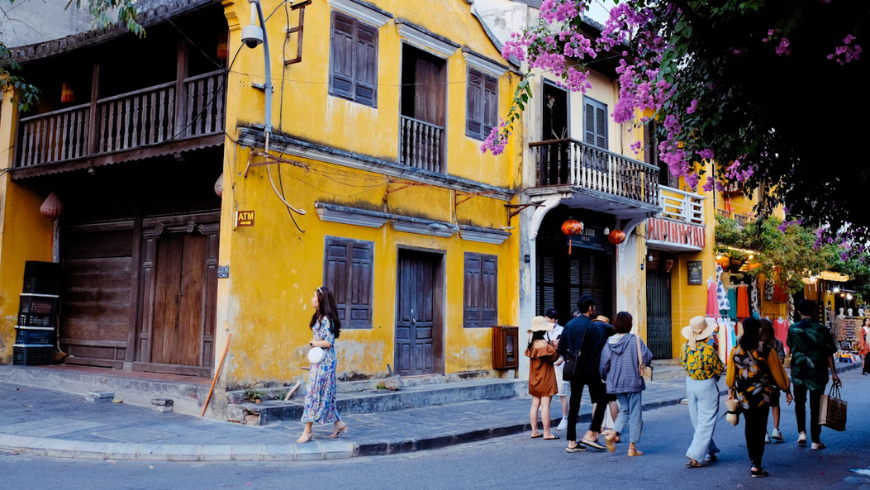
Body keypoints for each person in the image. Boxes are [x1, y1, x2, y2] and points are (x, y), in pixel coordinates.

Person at [727, 318, 792, 478]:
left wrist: (731, 390)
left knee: (750, 427)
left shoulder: (735, 350)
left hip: (744, 396)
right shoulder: (767, 350)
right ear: (759, 331)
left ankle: (752, 461)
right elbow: (778, 373)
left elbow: (730, 377)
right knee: (760, 428)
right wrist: (786, 389)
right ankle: (757, 464)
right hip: (763, 396)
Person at [558, 295, 611, 453]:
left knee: (574, 403)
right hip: (591, 369)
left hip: (574, 369)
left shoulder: (569, 325)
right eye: (593, 307)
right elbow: (600, 349)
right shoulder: (594, 327)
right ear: (590, 308)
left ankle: (572, 442)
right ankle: (592, 433)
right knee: (602, 399)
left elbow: (561, 348)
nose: (594, 310)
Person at [788, 300, 841, 449]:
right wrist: (834, 374)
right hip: (817, 371)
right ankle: (815, 440)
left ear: (799, 312)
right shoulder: (822, 329)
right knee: (815, 405)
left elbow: (791, 346)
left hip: (799, 371)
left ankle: (802, 433)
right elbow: (829, 353)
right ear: (813, 312)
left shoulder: (793, 329)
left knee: (799, 402)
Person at [599, 312, 652, 457]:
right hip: (633, 381)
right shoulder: (635, 340)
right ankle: (632, 447)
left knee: (624, 410)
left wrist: (604, 378)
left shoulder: (609, 342)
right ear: (629, 324)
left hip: (615, 382)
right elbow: (647, 357)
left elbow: (604, 364)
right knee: (635, 414)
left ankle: (613, 434)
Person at [298, 287, 345, 443]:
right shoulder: (318, 316)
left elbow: (329, 342)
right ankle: (338, 424)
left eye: (314, 297)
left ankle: (308, 430)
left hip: (325, 362)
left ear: (321, 301)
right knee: (325, 394)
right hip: (319, 361)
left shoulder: (326, 319)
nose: (312, 299)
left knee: (314, 393)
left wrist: (313, 343)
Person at [680, 316, 725, 467]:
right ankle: (695, 455)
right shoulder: (708, 350)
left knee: (697, 419)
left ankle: (708, 451)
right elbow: (719, 368)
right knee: (706, 421)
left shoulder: (685, 347)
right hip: (706, 385)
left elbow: (682, 363)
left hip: (691, 383)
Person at [526, 316, 560, 440]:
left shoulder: (531, 343)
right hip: (545, 378)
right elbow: (553, 358)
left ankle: (534, 431)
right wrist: (555, 347)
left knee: (535, 405)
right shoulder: (544, 344)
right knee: (545, 406)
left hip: (534, 378)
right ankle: (547, 433)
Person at [593, 315, 620, 436]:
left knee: (596, 401)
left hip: (596, 370)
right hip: (610, 372)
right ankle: (615, 429)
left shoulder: (592, 334)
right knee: (612, 399)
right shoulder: (612, 341)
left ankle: (597, 427)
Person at [760, 319, 786, 443]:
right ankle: (776, 429)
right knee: (775, 404)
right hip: (774, 379)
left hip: (759, 380)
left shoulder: (756, 344)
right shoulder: (777, 343)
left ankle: (764, 432)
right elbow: (781, 361)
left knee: (762, 406)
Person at [544, 309, 570, 431]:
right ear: (546, 318)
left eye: (555, 318)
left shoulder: (562, 330)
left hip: (559, 365)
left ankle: (565, 418)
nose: (553, 320)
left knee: (562, 392)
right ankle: (544, 411)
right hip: (546, 365)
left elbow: (566, 348)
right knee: (546, 391)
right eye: (550, 318)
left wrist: (561, 357)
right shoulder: (541, 330)